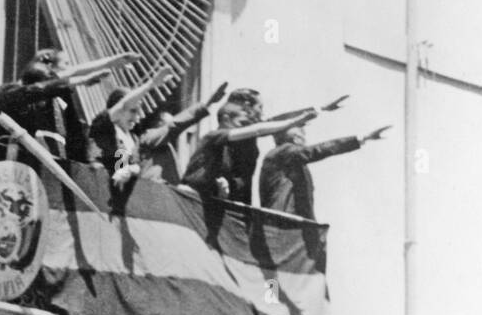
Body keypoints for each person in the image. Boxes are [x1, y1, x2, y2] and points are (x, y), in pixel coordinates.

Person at [0, 47, 140, 161]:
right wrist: (107, 63)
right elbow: (47, 85)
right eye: (65, 64)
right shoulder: (11, 92)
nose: (68, 70)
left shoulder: (50, 102)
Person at [182, 96, 318, 206]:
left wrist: (317, 109)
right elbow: (258, 129)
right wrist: (294, 121)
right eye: (241, 123)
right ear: (226, 118)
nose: (244, 129)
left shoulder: (230, 146)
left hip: (206, 201)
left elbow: (268, 125)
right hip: (189, 196)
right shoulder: (214, 136)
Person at [258, 117, 391, 220]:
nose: (303, 134)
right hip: (284, 224)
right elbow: (318, 150)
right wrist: (361, 139)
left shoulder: (289, 159)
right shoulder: (285, 151)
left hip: (289, 225)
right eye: (299, 129)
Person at [87, 67, 177, 191]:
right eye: (132, 111)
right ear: (117, 110)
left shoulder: (132, 138)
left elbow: (136, 166)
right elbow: (124, 104)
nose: (137, 117)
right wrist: (151, 84)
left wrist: (128, 170)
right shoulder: (102, 126)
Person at [138, 81, 229, 184]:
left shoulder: (166, 145)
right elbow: (175, 125)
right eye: (166, 123)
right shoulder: (148, 137)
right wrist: (208, 103)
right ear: (157, 123)